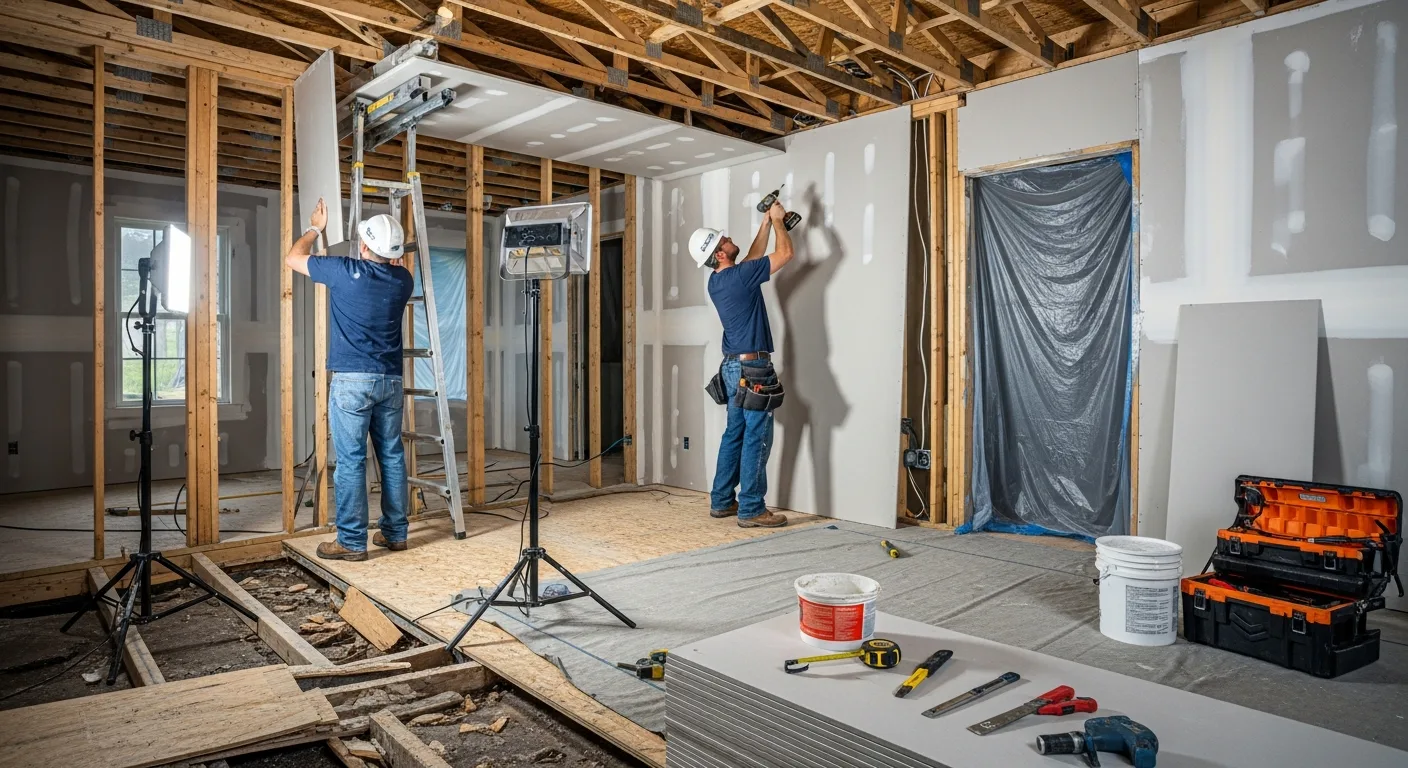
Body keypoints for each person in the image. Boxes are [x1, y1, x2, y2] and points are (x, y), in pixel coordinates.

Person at [285, 198, 414, 561]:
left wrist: (314, 228)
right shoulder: (403, 279)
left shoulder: (344, 271)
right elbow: (394, 266)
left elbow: (293, 259)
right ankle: (395, 534)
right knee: (390, 456)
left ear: (363, 246)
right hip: (389, 380)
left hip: (352, 383)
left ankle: (352, 542)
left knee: (352, 460)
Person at [687, 201, 795, 528]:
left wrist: (764, 225)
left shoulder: (722, 280)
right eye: (724, 240)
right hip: (754, 369)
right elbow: (785, 254)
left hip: (733, 369)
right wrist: (778, 222)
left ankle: (722, 502)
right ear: (720, 254)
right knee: (756, 437)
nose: (729, 238)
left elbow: (750, 259)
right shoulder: (740, 277)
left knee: (734, 433)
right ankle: (751, 509)